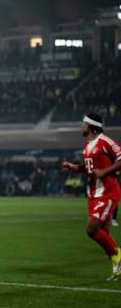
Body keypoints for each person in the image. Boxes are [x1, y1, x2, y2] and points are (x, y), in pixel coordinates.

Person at [61, 113, 121, 280]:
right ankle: (118, 268)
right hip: (94, 194)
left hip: (108, 192)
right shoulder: (88, 145)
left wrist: (104, 172)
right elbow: (89, 168)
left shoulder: (105, 142)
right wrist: (74, 167)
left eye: (84, 124)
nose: (82, 126)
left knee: (91, 229)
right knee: (104, 233)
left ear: (92, 127)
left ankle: (117, 255)